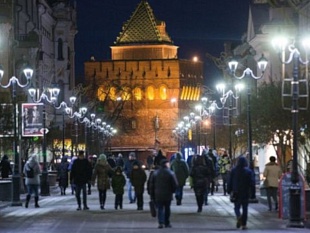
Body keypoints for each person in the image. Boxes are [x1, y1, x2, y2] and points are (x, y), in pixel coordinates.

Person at [227, 156, 255, 230]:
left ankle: (238, 216)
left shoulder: (234, 170)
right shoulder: (248, 171)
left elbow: (230, 181)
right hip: (245, 191)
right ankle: (244, 224)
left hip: (236, 191)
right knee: (245, 208)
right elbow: (252, 183)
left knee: (237, 207)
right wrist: (253, 193)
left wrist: (229, 190)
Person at [150, 159, 178, 229]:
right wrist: (173, 191)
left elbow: (151, 184)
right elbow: (175, 184)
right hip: (168, 194)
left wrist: (152, 194)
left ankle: (160, 222)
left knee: (160, 208)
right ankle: (167, 222)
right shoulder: (170, 173)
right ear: (166, 164)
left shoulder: (155, 173)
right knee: (167, 208)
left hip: (158, 194)